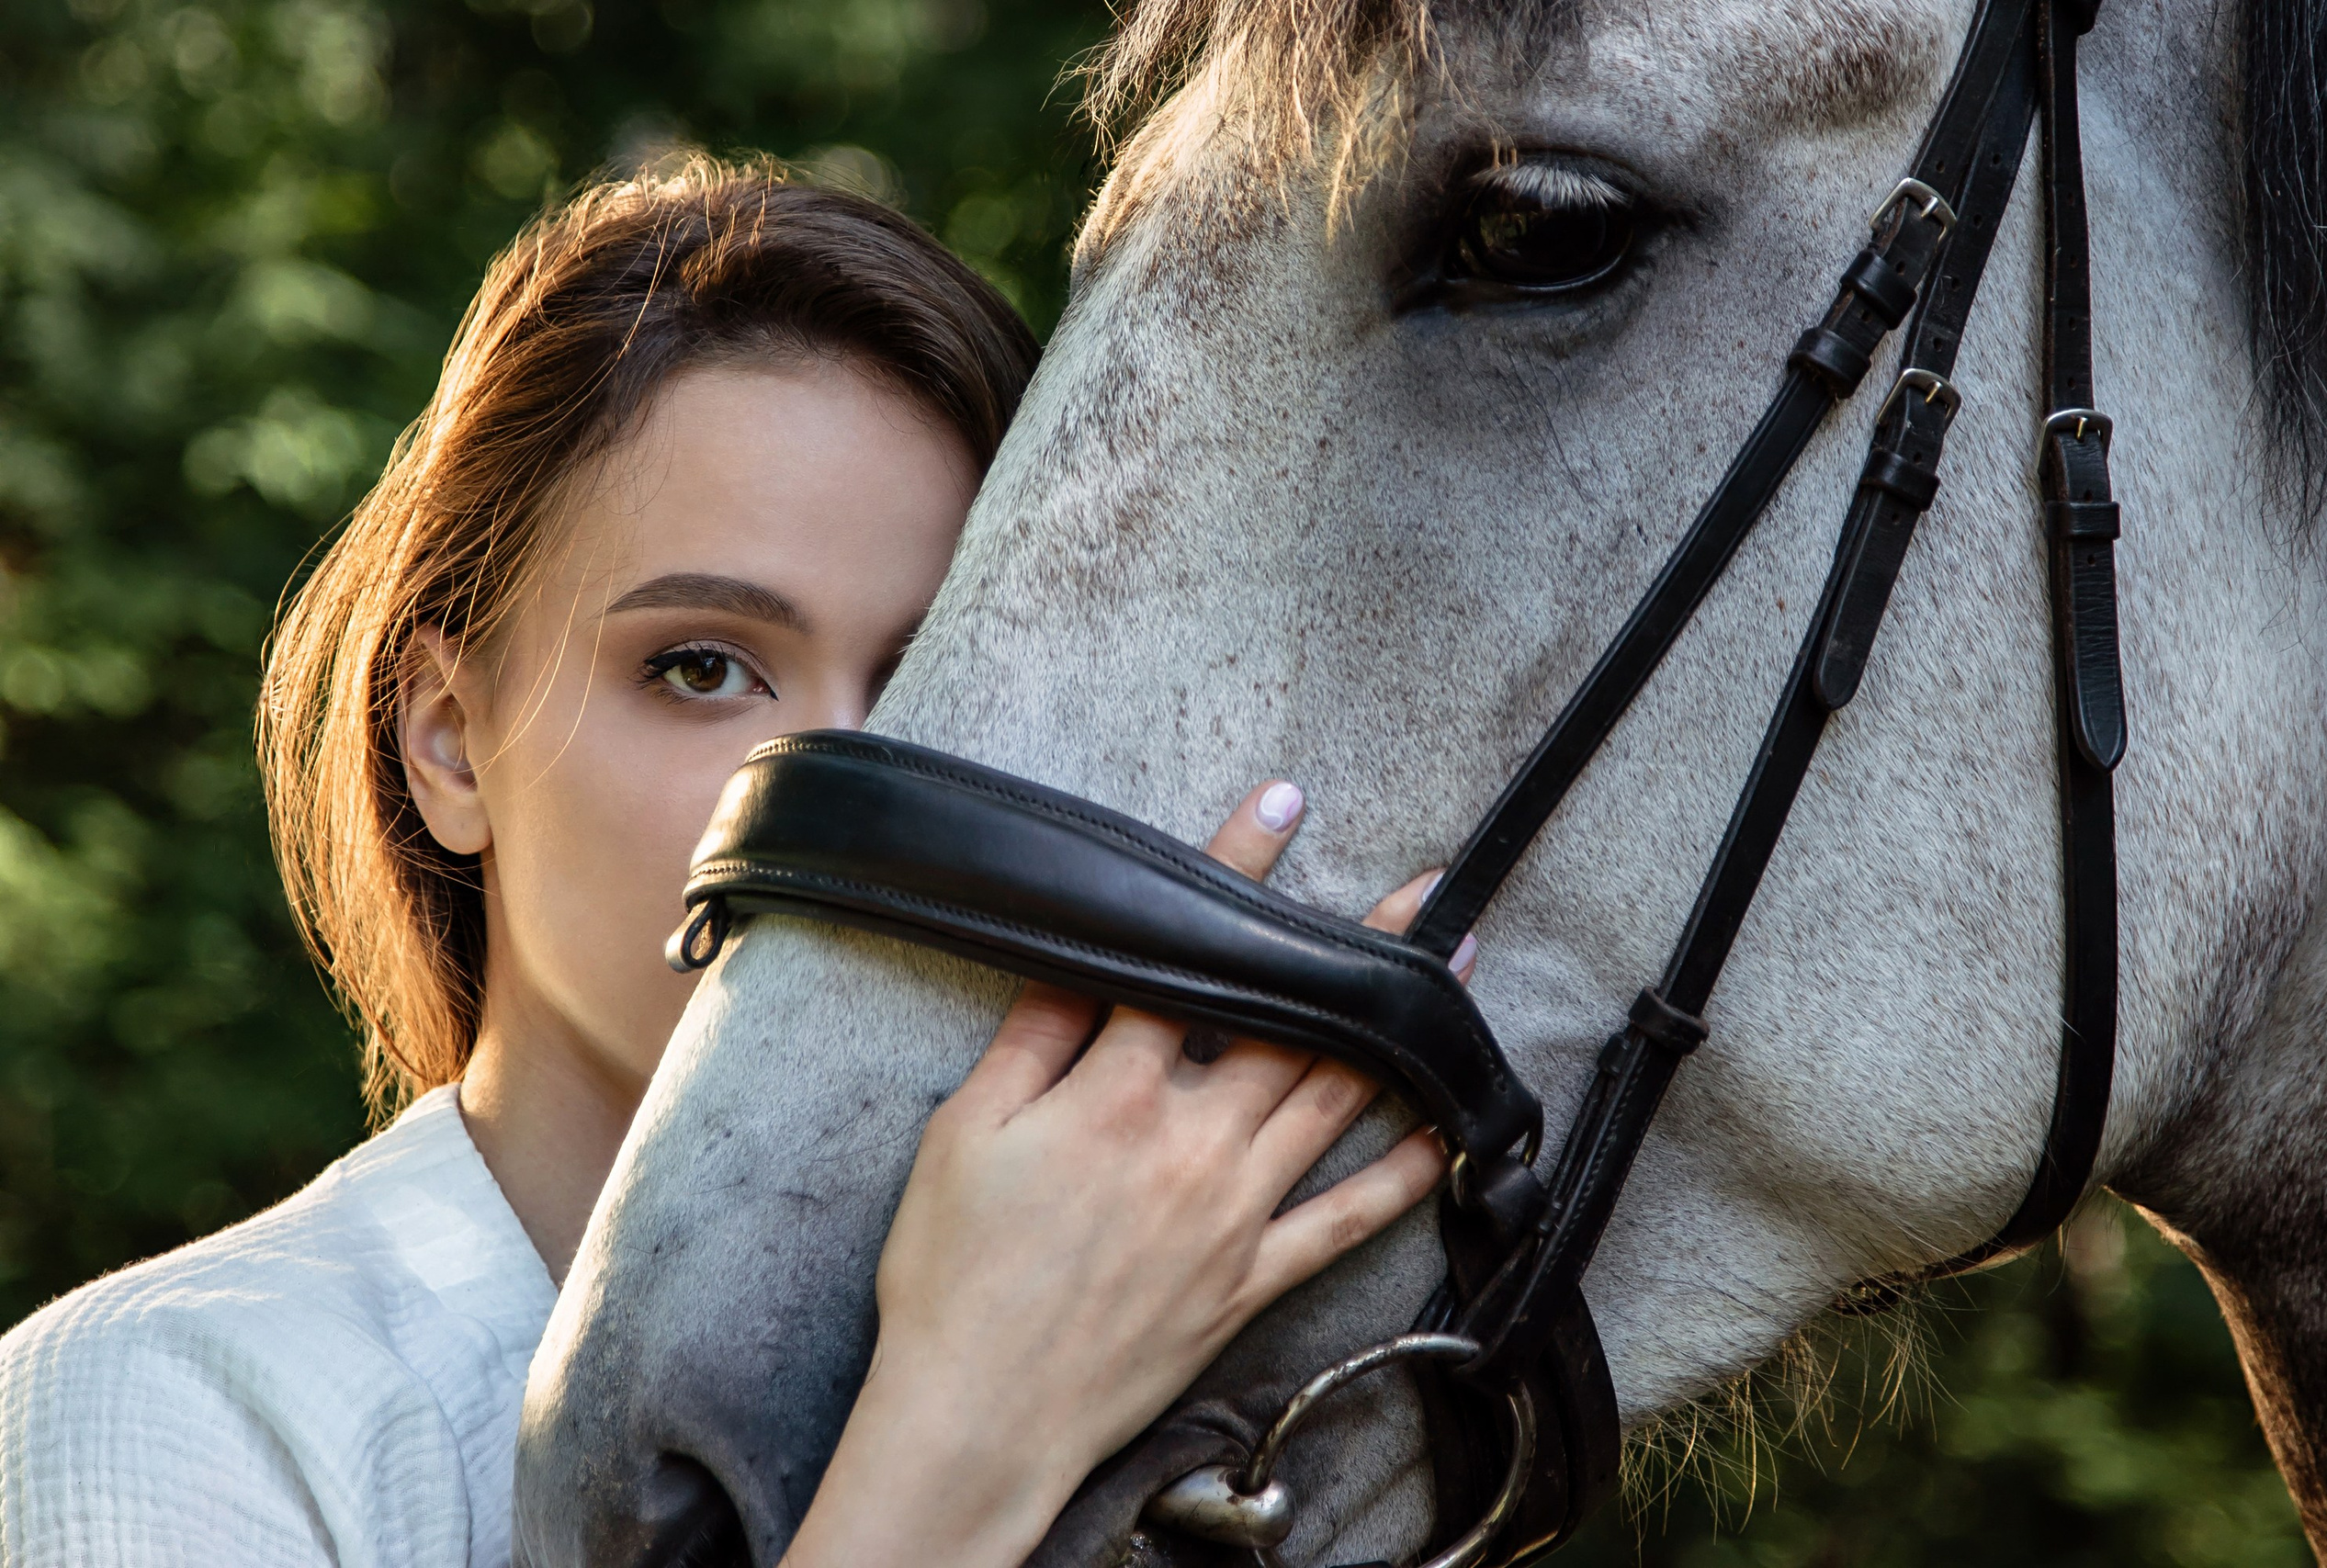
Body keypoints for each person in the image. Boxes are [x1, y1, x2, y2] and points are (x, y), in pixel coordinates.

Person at [0, 157, 1458, 1568]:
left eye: (933, 683)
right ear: (450, 742)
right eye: (700, 667)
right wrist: (959, 1450)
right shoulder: (176, 1410)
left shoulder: (1172, 1442)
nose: (843, 800)